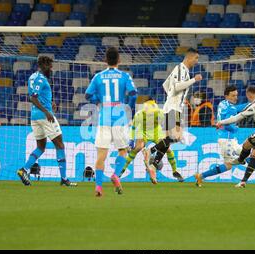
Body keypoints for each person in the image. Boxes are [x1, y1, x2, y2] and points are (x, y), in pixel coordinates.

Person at [194, 85, 255, 187]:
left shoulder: (223, 104)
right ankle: (201, 176)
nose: (235, 98)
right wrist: (236, 128)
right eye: (233, 96)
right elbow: (227, 124)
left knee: (247, 155)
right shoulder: (231, 109)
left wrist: (252, 103)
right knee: (229, 165)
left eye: (236, 95)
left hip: (229, 139)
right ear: (226, 96)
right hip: (227, 140)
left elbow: (237, 108)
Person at [85, 47, 138, 197]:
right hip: (119, 118)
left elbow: (88, 94)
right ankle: (115, 175)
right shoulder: (124, 76)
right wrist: (128, 106)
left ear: (105, 60)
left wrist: (98, 102)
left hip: (104, 118)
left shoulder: (98, 77)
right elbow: (134, 93)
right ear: (119, 60)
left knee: (101, 155)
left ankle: (99, 187)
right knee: (123, 150)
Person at [17, 56, 76, 187]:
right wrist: (46, 111)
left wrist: (49, 104)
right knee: (60, 145)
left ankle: (24, 170)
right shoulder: (40, 79)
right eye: (49, 65)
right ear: (43, 65)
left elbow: (38, 96)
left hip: (34, 117)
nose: (51, 68)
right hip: (44, 117)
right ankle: (64, 179)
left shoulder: (33, 77)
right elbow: (33, 98)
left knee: (41, 147)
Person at [148, 48, 202, 177]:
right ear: (189, 57)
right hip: (173, 107)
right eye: (196, 58)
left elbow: (166, 85)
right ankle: (151, 150)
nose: (196, 61)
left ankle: (154, 162)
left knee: (168, 139)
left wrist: (171, 96)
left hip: (172, 106)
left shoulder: (183, 70)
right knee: (176, 137)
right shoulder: (181, 68)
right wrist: (194, 80)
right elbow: (177, 86)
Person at [119, 98, 184, 184]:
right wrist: (131, 140)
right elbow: (134, 128)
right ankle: (122, 170)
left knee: (168, 149)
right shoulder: (139, 115)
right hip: (143, 132)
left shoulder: (160, 113)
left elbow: (167, 124)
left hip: (156, 132)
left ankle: (175, 171)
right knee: (137, 148)